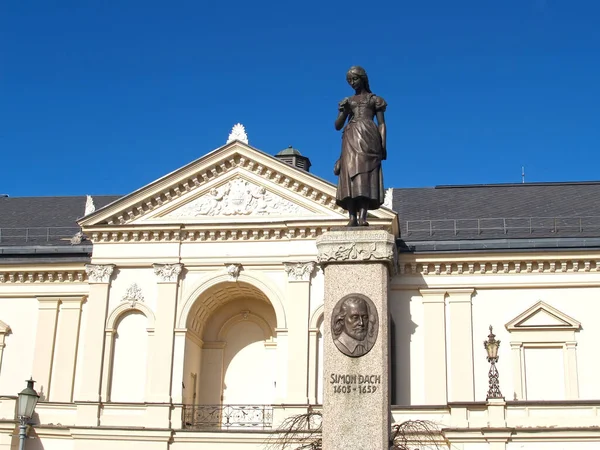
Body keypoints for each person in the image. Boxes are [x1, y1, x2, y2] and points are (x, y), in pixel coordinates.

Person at [334, 66, 387, 227]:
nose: (352, 83)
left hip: (369, 136)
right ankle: (352, 217)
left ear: (363, 78)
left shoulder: (374, 99)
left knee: (365, 175)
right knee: (349, 174)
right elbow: (337, 125)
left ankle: (363, 216)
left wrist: (383, 146)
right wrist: (343, 111)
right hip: (350, 136)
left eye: (354, 79)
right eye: (349, 80)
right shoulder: (348, 101)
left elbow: (382, 124)